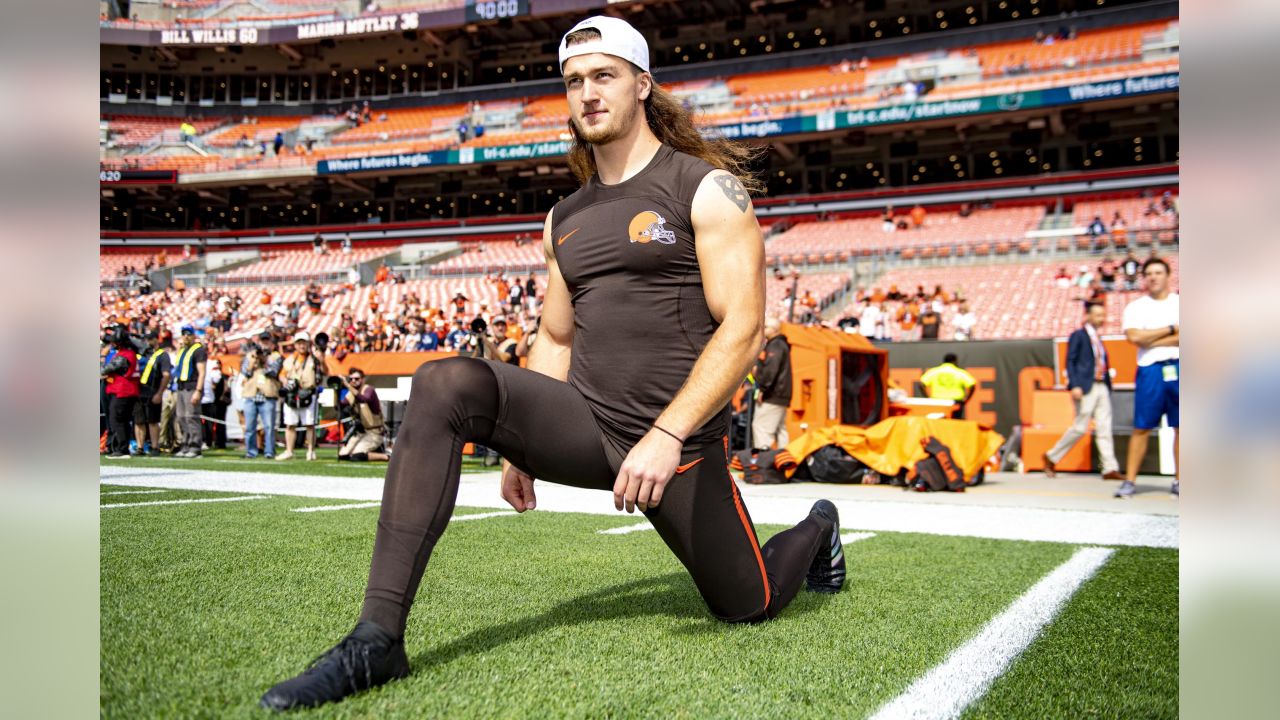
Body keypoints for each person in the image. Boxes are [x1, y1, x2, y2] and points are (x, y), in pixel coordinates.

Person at [260, 16, 846, 710]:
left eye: (604, 76)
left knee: (746, 602)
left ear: (642, 84)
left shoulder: (705, 188)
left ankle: (818, 527)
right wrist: (523, 445)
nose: (588, 93)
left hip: (676, 445)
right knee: (444, 381)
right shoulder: (563, 216)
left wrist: (665, 435)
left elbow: (744, 329)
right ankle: (376, 638)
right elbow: (559, 339)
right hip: (587, 425)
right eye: (574, 82)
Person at [1116, 258, 1179, 498]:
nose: (1153, 277)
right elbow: (1134, 337)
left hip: (1180, 366)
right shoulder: (1136, 307)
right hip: (1150, 369)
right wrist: (1172, 329)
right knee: (1141, 427)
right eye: (1149, 273)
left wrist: (1150, 337)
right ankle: (1130, 481)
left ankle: (1180, 481)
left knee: (1182, 428)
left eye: (1158, 272)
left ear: (1167, 275)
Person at [1042, 302, 1123, 480]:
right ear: (1087, 316)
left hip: (1101, 385)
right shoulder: (1078, 336)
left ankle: (1109, 468)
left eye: (1103, 315)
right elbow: (1070, 361)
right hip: (1086, 386)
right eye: (1097, 315)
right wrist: (1075, 384)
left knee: (1104, 427)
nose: (1101, 319)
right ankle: (1051, 456)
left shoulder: (1098, 339)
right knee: (1079, 427)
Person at [278, 332, 322, 461]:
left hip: (308, 392)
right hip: (292, 394)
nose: (302, 346)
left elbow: (323, 372)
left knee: (309, 424)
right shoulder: (289, 359)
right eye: (299, 343)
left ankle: (311, 450)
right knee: (290, 424)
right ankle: (289, 450)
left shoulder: (314, 359)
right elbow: (282, 374)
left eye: (304, 343)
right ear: (295, 345)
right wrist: (285, 382)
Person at [751, 317, 792, 450]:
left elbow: (771, 370)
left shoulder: (776, 345)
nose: (763, 328)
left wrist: (762, 389)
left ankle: (763, 465)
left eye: (766, 326)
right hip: (780, 394)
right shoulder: (780, 344)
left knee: (761, 428)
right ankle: (785, 464)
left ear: (774, 330)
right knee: (781, 431)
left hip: (772, 395)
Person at [241, 331, 283, 459]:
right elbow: (245, 373)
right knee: (249, 426)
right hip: (251, 394)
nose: (265, 344)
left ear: (271, 343)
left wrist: (264, 362)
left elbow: (274, 372)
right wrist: (253, 363)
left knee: (269, 426)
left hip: (268, 394)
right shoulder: (250, 356)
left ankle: (269, 451)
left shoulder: (276, 356)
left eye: (267, 341)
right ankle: (251, 451)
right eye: (263, 341)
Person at [101, 325, 140, 459]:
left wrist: (102, 357)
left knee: (117, 419)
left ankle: (122, 448)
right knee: (120, 419)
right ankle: (120, 447)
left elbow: (106, 370)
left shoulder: (124, 355)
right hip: (124, 390)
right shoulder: (129, 354)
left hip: (122, 391)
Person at [335, 368, 388, 462]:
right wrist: (336, 390)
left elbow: (363, 399)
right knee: (343, 455)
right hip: (361, 431)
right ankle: (375, 450)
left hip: (374, 432)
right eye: (351, 379)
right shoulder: (351, 393)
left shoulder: (368, 389)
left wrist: (347, 385)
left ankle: (386, 456)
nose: (353, 381)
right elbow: (340, 406)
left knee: (357, 456)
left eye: (356, 379)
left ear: (362, 379)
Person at [171, 326, 207, 458]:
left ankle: (195, 446)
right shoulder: (182, 350)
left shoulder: (198, 350)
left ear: (193, 336)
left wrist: (198, 390)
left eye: (188, 334)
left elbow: (202, 372)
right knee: (181, 417)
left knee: (192, 416)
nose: (186, 336)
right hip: (181, 386)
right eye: (183, 334)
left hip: (192, 386)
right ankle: (185, 444)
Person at [134, 330, 171, 456]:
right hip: (139, 390)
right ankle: (140, 447)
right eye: (146, 339)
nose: (147, 342)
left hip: (153, 390)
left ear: (156, 339)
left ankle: (155, 446)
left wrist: (159, 393)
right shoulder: (141, 354)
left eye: (150, 339)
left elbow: (166, 375)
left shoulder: (162, 355)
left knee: (152, 420)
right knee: (139, 420)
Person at [919, 353, 976, 419]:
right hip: (955, 402)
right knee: (955, 424)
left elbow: (921, 384)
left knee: (938, 424)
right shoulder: (959, 372)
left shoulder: (934, 371)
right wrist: (966, 399)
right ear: (955, 361)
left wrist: (928, 398)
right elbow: (972, 385)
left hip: (937, 401)